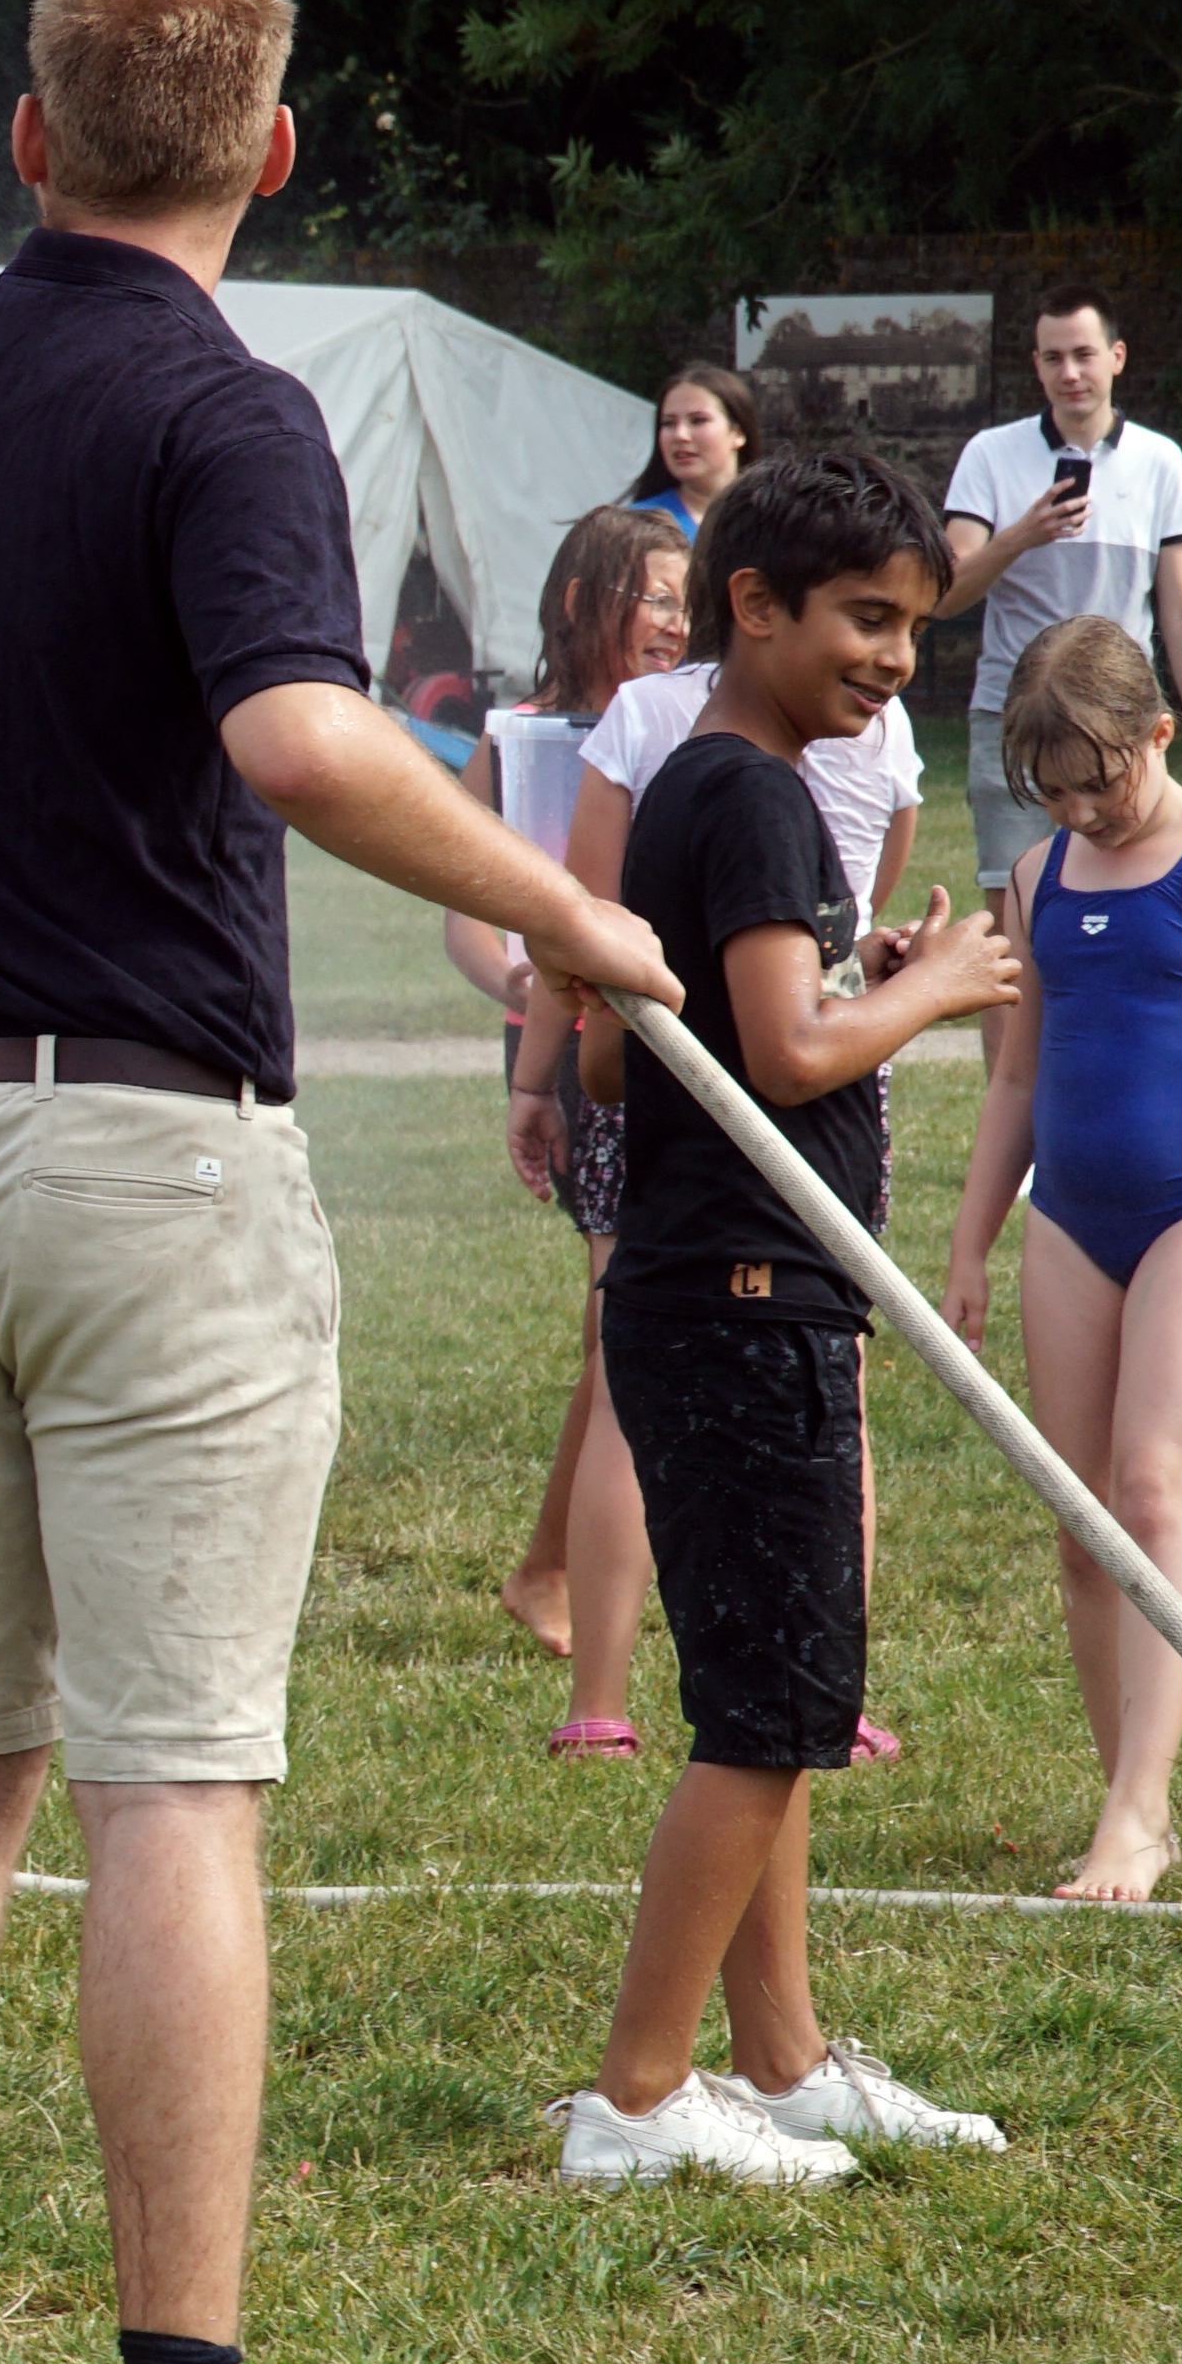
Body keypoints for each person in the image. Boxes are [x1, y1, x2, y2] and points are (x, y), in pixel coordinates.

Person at [0, 0, 671, 2364]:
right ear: (273, 154)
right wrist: (568, 919)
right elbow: (296, 733)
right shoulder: (234, 413)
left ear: (27, 141)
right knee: (174, 1778)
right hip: (137, 1149)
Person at [557, 445, 1029, 2183]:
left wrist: (849, 971)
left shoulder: (697, 784)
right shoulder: (754, 798)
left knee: (777, 1701)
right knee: (770, 1718)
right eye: (864, 619)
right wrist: (939, 985)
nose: (895, 657)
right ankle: (634, 2099)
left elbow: (623, 1056)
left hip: (713, 1296)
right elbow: (788, 1054)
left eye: (913, 628)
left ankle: (786, 2061)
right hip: (750, 1302)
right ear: (751, 606)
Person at [937, 611, 1182, 1904]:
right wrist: (971, 1244)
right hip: (1071, 1218)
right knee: (1085, 1524)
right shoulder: (1040, 879)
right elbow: (1016, 1081)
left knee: (1158, 1490)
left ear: (1160, 732)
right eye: (1052, 794)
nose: (1081, 812)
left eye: (1099, 783)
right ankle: (1131, 1799)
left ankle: (1140, 1808)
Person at [468, 506, 692, 1760]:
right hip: (563, 1031)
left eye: (684, 600)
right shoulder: (523, 741)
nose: (674, 621)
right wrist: (517, 984)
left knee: (612, 1331)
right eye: (654, 597)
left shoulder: (681, 723)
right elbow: (469, 905)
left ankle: (549, 1565)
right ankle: (560, 1575)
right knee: (617, 1330)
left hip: (612, 1014)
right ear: (581, 602)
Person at [935, 287, 1182, 902]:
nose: (1070, 373)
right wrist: (1021, 536)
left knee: (1134, 896)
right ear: (1036, 366)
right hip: (1015, 715)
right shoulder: (990, 455)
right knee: (1015, 903)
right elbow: (944, 594)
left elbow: (1180, 608)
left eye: (1084, 355)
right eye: (1053, 358)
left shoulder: (1160, 461)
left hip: (1121, 721)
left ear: (1117, 357)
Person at [617, 358, 757, 533]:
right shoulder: (636, 527)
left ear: (738, 433)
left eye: (698, 421)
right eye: (668, 423)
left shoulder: (774, 520)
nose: (680, 435)